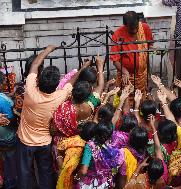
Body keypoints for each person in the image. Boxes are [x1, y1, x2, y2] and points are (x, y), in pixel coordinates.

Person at [16, 45, 91, 189]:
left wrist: (48, 50)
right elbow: (71, 82)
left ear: (39, 79)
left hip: (25, 141)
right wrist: (82, 67)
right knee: (46, 174)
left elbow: (35, 64)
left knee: (24, 174)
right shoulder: (59, 96)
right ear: (56, 85)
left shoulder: (30, 90)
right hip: (45, 142)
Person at [110, 11, 154, 98]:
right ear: (125, 25)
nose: (134, 30)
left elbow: (149, 46)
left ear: (139, 22)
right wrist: (124, 71)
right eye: (131, 28)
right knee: (125, 98)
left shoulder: (144, 28)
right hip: (126, 77)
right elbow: (115, 60)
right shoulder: (118, 34)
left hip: (142, 76)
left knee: (140, 98)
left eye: (136, 27)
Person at [75, 121, 124, 189]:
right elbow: (115, 169)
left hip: (89, 184)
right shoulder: (115, 151)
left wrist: (76, 177)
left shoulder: (90, 146)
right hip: (104, 183)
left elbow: (83, 171)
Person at [124, 115, 168, 189]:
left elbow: (128, 185)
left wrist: (139, 168)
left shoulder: (141, 183)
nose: (153, 155)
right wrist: (153, 127)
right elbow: (157, 147)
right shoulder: (163, 174)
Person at [0, 71, 17, 189]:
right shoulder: (3, 101)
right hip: (6, 138)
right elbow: (11, 121)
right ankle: (11, 183)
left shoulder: (4, 99)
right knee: (10, 163)